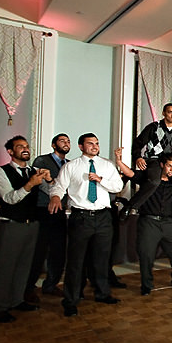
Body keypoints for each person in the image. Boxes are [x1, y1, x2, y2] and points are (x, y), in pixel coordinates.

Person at [48, 133, 124, 317]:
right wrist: (56, 197)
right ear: (81, 146)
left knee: (101, 259)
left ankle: (102, 293)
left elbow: (118, 186)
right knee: (76, 261)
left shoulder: (107, 165)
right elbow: (58, 186)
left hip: (104, 217)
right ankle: (71, 300)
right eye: (90, 143)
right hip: (81, 218)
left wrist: (100, 180)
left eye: (97, 143)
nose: (95, 146)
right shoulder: (71, 166)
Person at [115, 151, 172, 295]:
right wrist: (119, 161)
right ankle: (146, 285)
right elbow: (131, 174)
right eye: (169, 166)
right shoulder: (149, 178)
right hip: (149, 222)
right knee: (146, 255)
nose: (171, 169)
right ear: (162, 165)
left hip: (168, 222)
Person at [0, 136, 51, 323]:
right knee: (7, 268)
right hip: (12, 225)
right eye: (19, 147)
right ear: (10, 152)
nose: (25, 149)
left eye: (26, 146)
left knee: (25, 266)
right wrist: (30, 184)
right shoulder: (0, 172)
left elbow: (51, 194)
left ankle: (17, 300)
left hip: (32, 225)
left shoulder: (33, 171)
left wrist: (48, 181)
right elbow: (9, 198)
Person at [126, 102, 172, 214]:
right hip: (154, 160)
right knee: (154, 181)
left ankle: (171, 212)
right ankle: (131, 206)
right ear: (164, 113)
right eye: (170, 112)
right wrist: (138, 158)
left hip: (171, 162)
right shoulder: (153, 127)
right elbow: (138, 143)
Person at [29, 133, 70, 299]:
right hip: (43, 210)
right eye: (62, 141)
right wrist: (55, 191)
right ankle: (28, 287)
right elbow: (40, 184)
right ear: (54, 145)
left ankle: (51, 284)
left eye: (68, 141)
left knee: (58, 250)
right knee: (39, 251)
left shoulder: (69, 164)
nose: (66, 143)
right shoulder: (42, 161)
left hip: (60, 212)